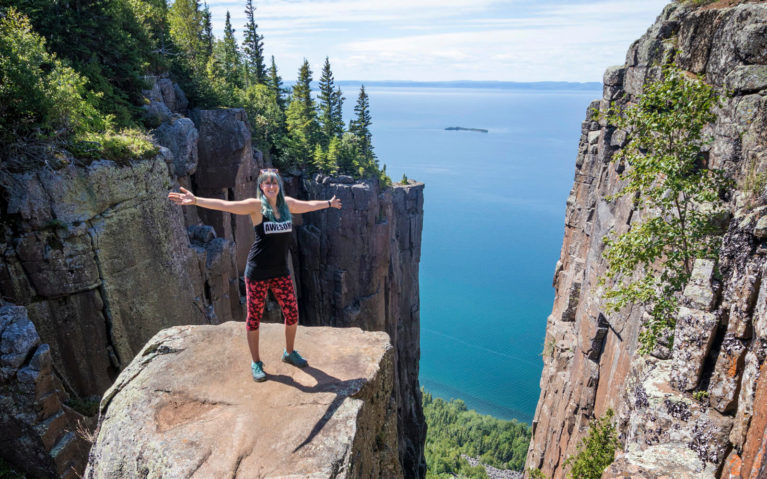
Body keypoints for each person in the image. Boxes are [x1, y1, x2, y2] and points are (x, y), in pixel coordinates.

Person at [167, 169, 342, 381]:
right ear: (261, 187)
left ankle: (289, 352)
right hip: (257, 272)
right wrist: (195, 201)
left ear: (278, 185)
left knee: (292, 314)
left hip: (280, 272)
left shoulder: (287, 204)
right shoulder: (256, 206)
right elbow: (226, 206)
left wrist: (328, 204)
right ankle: (256, 363)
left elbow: (309, 206)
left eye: (274, 183)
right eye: (266, 184)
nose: (270, 186)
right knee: (253, 319)